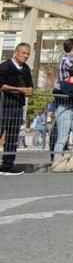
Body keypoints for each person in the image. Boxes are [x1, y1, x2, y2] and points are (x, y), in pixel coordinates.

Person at [0, 43, 34, 175]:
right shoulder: (5, 66)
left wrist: (29, 90)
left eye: (28, 54)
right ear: (16, 52)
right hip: (4, 106)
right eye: (24, 53)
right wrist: (18, 89)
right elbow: (1, 85)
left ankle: (8, 165)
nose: (26, 56)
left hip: (18, 106)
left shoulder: (26, 69)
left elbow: (30, 85)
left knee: (13, 137)